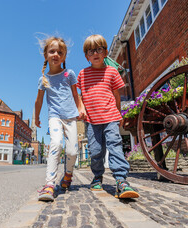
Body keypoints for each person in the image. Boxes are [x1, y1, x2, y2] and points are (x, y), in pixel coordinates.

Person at [77, 34, 139, 199]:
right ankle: (97, 176)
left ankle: (121, 180)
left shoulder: (112, 72)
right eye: (91, 51)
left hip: (111, 117)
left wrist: (119, 114)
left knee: (115, 146)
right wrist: (81, 110)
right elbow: (81, 96)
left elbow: (116, 95)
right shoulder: (82, 74)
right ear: (86, 56)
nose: (95, 53)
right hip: (91, 121)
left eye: (99, 49)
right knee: (96, 151)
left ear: (105, 52)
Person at [35, 36, 86, 201]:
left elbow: (75, 94)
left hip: (71, 118)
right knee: (56, 144)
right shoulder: (44, 79)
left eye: (60, 52)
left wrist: (81, 108)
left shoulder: (69, 74)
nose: (56, 54)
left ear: (64, 57)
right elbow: (39, 100)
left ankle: (68, 174)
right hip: (54, 117)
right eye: (52, 51)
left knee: (72, 151)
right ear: (46, 55)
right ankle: (49, 184)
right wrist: (36, 118)